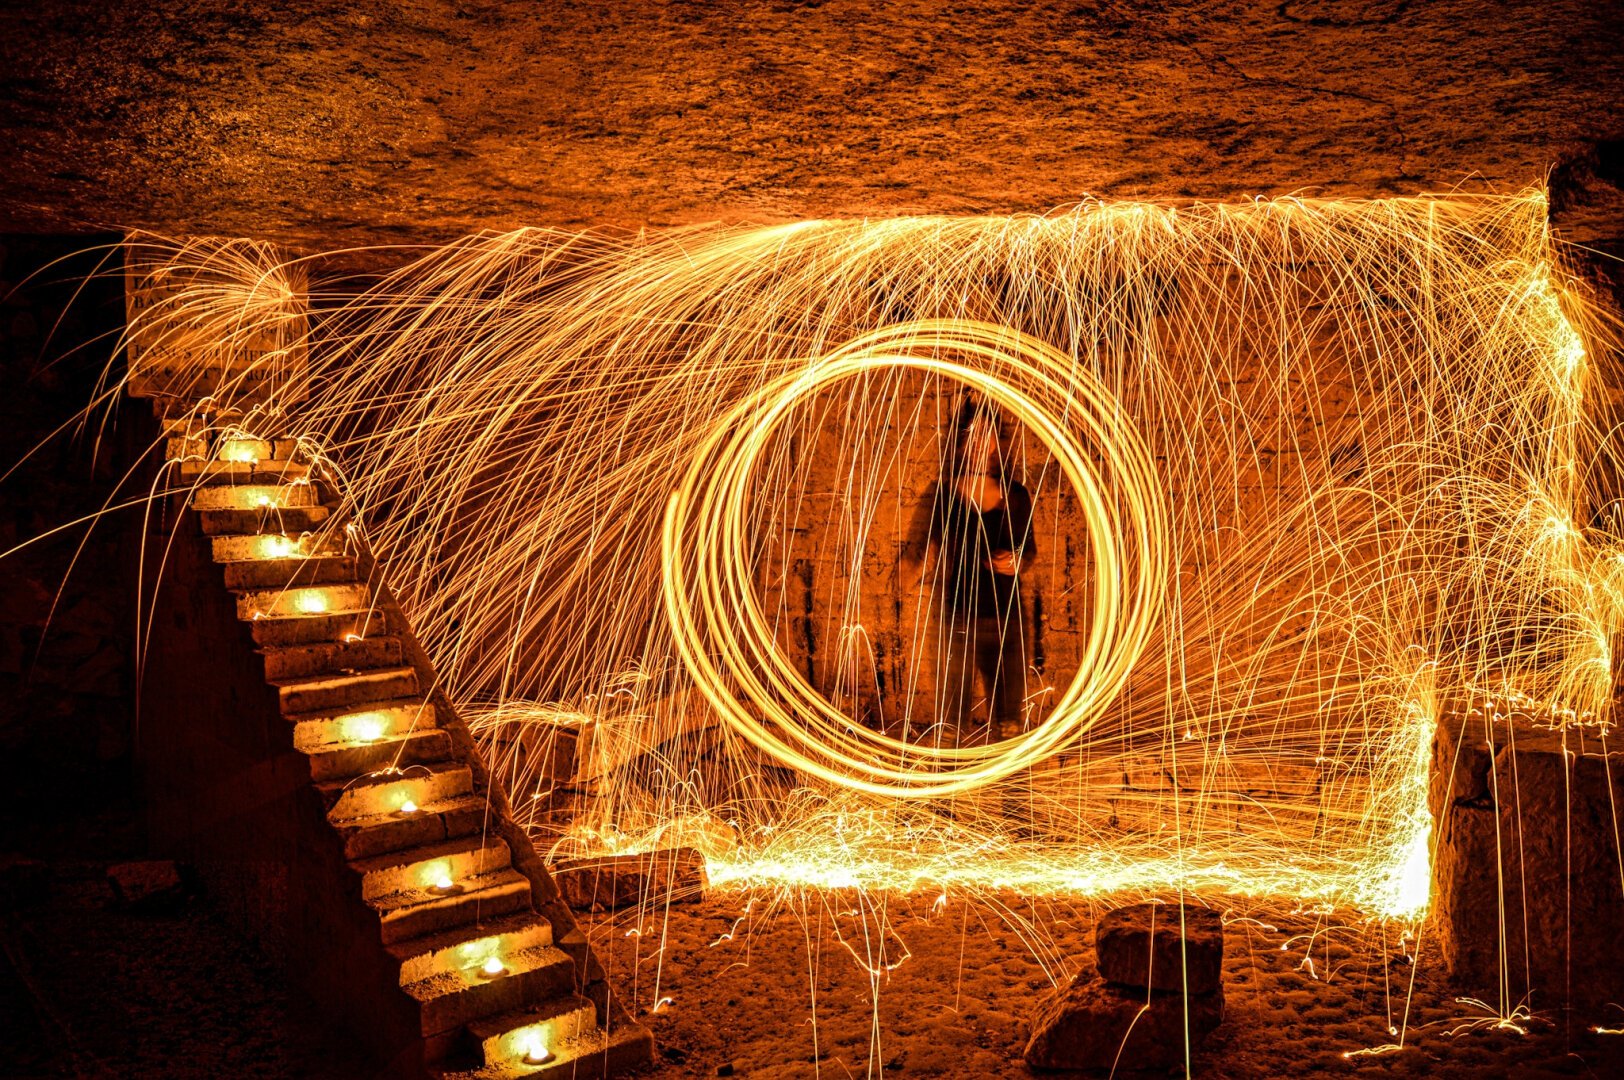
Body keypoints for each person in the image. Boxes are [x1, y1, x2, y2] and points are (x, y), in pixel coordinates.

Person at [903, 394, 1035, 741]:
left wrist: (1015, 561)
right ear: (960, 441)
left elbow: (1028, 550)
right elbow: (924, 547)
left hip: (1008, 621)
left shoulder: (1016, 495)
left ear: (995, 440)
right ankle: (944, 795)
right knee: (950, 725)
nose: (978, 441)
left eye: (985, 433)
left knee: (1009, 724)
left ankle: (1013, 796)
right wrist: (913, 570)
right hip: (958, 621)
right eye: (971, 434)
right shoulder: (945, 494)